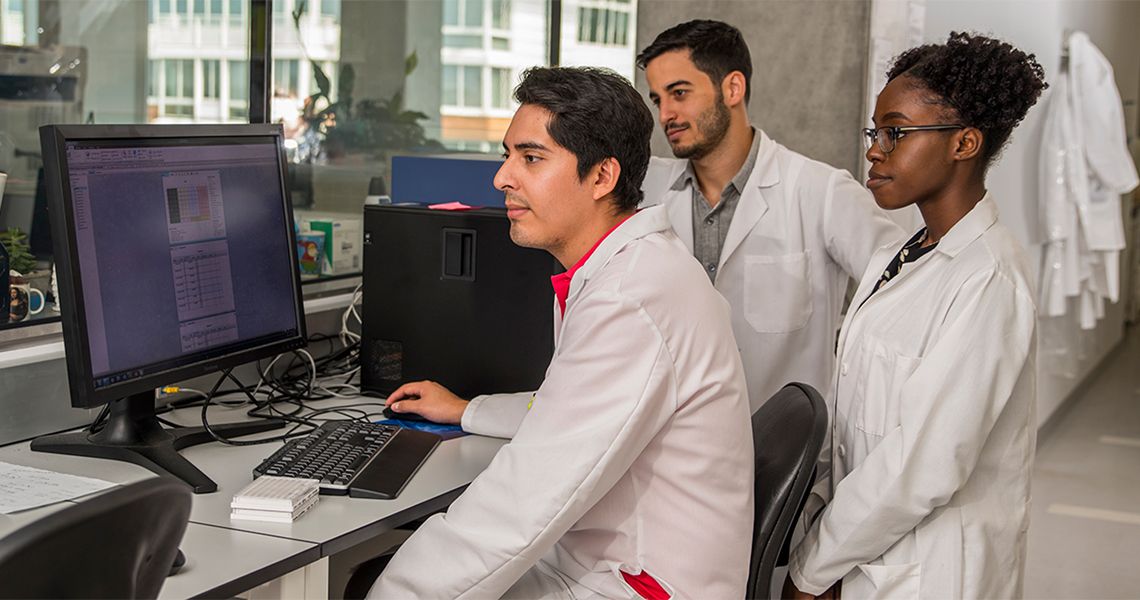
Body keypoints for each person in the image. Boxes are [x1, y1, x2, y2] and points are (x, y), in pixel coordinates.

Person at [367, 67, 754, 599]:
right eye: (508, 156)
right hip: (605, 559)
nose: (502, 178)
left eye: (530, 158)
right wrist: (468, 409)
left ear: (602, 177)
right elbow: (566, 406)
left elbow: (522, 502)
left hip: (637, 581)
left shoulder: (632, 297)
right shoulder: (619, 269)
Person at [786, 32, 1046, 599]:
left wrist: (814, 566)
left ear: (964, 144)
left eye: (896, 132)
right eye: (875, 131)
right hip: (862, 555)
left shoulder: (989, 279)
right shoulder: (895, 257)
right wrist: (823, 548)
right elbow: (854, 420)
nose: (875, 149)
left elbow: (923, 464)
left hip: (932, 573)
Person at [636, 20, 904, 413]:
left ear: (732, 88)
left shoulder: (821, 192)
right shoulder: (648, 191)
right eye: (658, 99)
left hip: (783, 456)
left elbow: (906, 293)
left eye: (679, 93)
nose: (666, 114)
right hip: (677, 447)